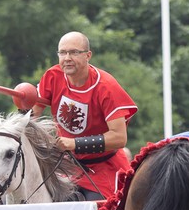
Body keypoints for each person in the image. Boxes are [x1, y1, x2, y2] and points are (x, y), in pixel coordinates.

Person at [30, 31, 137, 201]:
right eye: (62, 53)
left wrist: (74, 143)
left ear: (88, 55)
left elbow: (119, 138)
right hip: (68, 166)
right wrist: (23, 105)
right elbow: (31, 116)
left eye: (74, 52)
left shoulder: (106, 87)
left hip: (104, 169)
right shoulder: (53, 76)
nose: (67, 58)